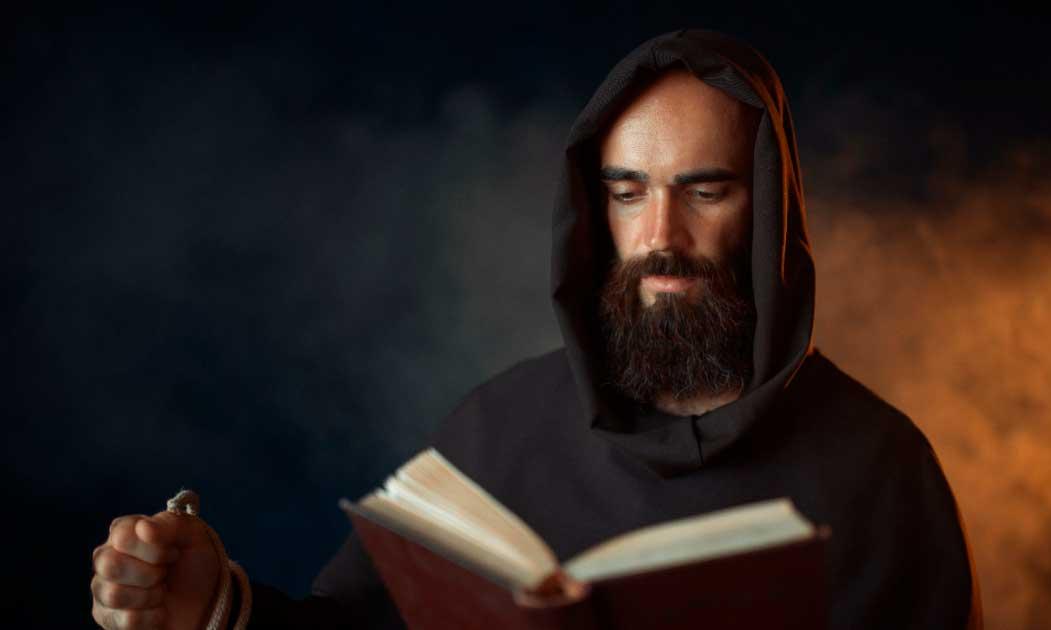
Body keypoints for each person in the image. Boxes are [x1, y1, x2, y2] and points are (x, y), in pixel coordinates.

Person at [91, 29, 982, 629]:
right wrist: (216, 606)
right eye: (628, 193)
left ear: (769, 211)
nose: (661, 238)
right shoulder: (496, 429)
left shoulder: (883, 470)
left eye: (705, 191)